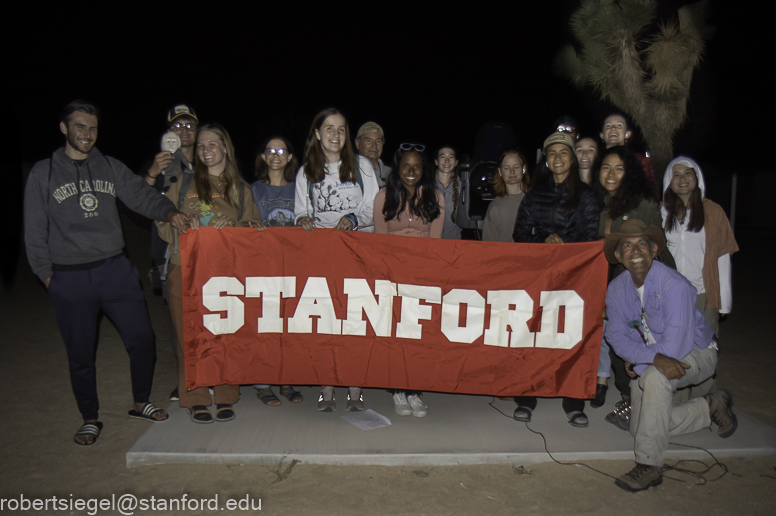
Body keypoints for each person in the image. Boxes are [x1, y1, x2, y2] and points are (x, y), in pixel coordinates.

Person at [23, 101, 189, 445]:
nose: (87, 134)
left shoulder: (109, 167)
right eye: (80, 126)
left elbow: (142, 196)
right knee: (81, 353)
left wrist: (169, 211)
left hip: (114, 269)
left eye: (93, 128)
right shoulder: (44, 172)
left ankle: (140, 401)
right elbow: (34, 228)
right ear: (64, 128)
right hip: (68, 277)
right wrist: (47, 276)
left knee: (142, 339)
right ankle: (89, 418)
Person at [603, 219, 736, 492]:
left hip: (697, 351)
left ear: (654, 250)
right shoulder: (616, 289)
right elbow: (616, 337)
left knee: (654, 378)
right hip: (655, 358)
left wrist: (639, 360)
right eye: (627, 245)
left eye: (642, 243)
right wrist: (642, 357)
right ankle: (708, 409)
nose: (635, 250)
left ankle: (649, 465)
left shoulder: (674, 284)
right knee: (640, 429)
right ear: (618, 255)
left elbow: (675, 347)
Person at [157, 123, 263, 424]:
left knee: (224, 333)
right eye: (201, 146)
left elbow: (256, 230)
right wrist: (180, 221)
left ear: (225, 147)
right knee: (187, 334)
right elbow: (162, 219)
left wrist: (234, 230)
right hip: (185, 267)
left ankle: (226, 393)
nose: (205, 150)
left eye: (212, 144)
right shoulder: (184, 181)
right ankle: (195, 395)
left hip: (224, 274)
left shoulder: (241, 189)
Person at [512, 131, 599, 427]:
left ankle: (573, 400)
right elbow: (519, 235)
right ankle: (526, 395)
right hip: (538, 279)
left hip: (574, 280)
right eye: (552, 154)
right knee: (532, 335)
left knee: (570, 338)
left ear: (572, 159)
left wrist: (564, 242)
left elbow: (590, 238)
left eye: (564, 153)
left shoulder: (586, 196)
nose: (558, 158)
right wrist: (542, 242)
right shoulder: (534, 194)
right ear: (546, 161)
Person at [294, 108, 379, 411]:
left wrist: (353, 219)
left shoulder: (363, 166)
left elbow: (372, 207)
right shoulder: (305, 171)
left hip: (356, 253)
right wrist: (303, 220)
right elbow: (300, 211)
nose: (335, 135)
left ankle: (355, 387)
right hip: (322, 256)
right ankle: (326, 385)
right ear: (317, 134)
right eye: (329, 129)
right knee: (326, 319)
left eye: (341, 129)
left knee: (354, 318)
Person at [592, 146, 674, 415]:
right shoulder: (602, 205)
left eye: (619, 167)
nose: (611, 173)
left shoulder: (643, 204)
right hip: (613, 284)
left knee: (640, 340)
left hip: (642, 285)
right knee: (620, 342)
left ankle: (639, 403)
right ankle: (629, 398)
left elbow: (656, 248)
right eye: (606, 167)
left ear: (630, 173)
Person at [373, 144, 444, 417]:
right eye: (406, 166)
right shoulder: (384, 196)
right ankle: (397, 391)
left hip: (422, 275)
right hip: (392, 275)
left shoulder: (436, 196)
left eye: (416, 166)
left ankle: (415, 391)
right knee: (395, 335)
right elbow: (379, 242)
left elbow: (435, 243)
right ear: (397, 168)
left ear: (424, 168)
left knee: (418, 335)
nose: (411, 172)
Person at [140, 104, 199, 402]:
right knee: (179, 324)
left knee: (207, 319)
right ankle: (185, 380)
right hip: (169, 255)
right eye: (178, 125)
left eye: (190, 125)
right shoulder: (157, 166)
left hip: (204, 255)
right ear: (168, 131)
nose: (184, 130)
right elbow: (137, 203)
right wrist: (152, 172)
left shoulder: (209, 160)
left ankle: (209, 376)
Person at [250, 135, 303, 406]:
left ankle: (286, 379)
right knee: (265, 325)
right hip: (263, 268)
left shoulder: (299, 189)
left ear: (290, 157)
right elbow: (244, 223)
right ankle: (262, 383)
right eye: (270, 150)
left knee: (289, 326)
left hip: (292, 267)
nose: (275, 154)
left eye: (281, 150)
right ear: (263, 156)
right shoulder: (254, 190)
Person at [661, 156, 738, 337]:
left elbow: (722, 257)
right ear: (668, 182)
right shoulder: (661, 213)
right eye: (676, 175)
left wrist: (724, 300)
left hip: (702, 294)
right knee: (672, 347)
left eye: (687, 174)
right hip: (669, 294)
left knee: (703, 349)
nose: (682, 179)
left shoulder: (713, 212)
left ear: (697, 178)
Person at [482, 149, 530, 242]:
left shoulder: (535, 201)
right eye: (507, 168)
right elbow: (488, 246)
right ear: (500, 172)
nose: (512, 172)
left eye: (516, 167)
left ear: (523, 169)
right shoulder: (495, 207)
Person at [600, 113, 656, 188]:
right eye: (608, 126)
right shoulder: (595, 161)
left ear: (627, 134)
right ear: (602, 135)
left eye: (619, 125)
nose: (613, 128)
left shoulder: (640, 161)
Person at [435, 145, 462, 240]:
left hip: (453, 242)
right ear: (436, 162)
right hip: (429, 242)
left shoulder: (462, 187)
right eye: (442, 156)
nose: (447, 161)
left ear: (456, 162)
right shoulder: (426, 186)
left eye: (451, 157)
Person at [355, 122, 392, 188]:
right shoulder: (348, 171)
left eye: (378, 141)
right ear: (357, 143)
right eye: (368, 140)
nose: (374, 145)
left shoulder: (391, 175)